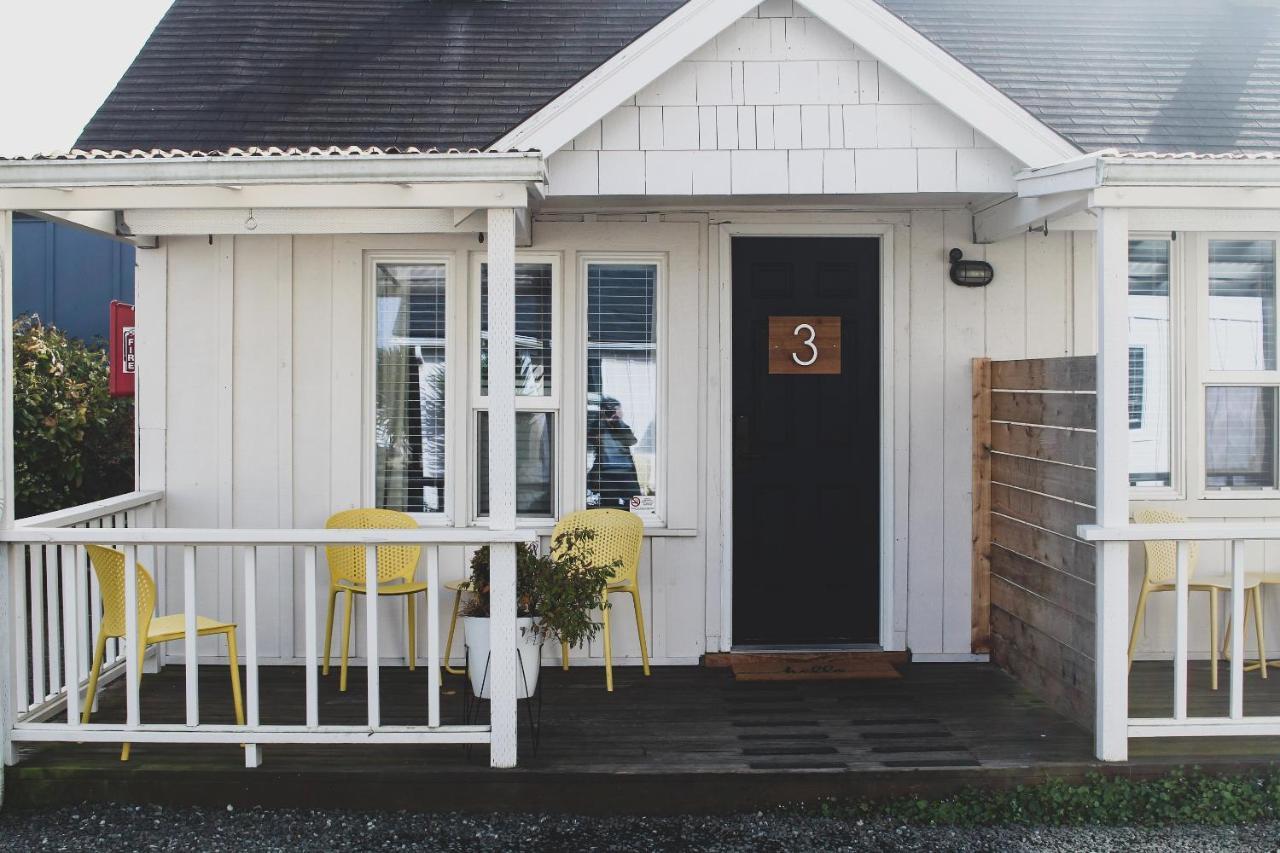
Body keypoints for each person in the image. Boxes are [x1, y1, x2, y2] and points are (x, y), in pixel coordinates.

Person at [587, 395, 642, 509]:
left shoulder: (621, 426)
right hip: (607, 474)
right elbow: (591, 439)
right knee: (611, 507)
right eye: (614, 409)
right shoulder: (598, 426)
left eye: (618, 409)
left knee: (634, 505)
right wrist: (604, 419)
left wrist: (618, 422)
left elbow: (632, 441)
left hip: (626, 472)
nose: (618, 412)